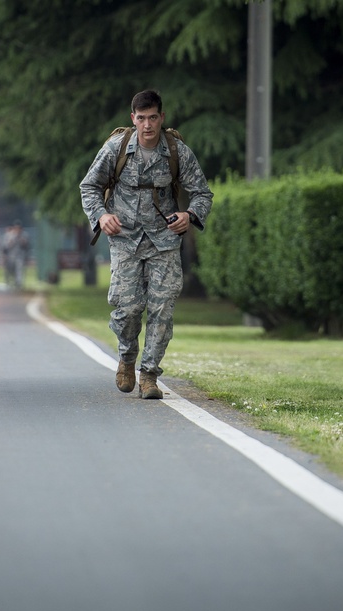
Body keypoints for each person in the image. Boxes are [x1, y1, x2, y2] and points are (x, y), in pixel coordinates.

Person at [79, 89, 213, 399]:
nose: (148, 125)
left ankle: (149, 374)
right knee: (128, 309)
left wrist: (189, 215)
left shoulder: (178, 151)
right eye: (141, 119)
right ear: (133, 119)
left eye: (153, 118)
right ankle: (127, 358)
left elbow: (203, 193)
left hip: (163, 241)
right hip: (124, 239)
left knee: (162, 309)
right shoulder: (117, 148)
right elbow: (90, 187)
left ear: (162, 118)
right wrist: (100, 216)